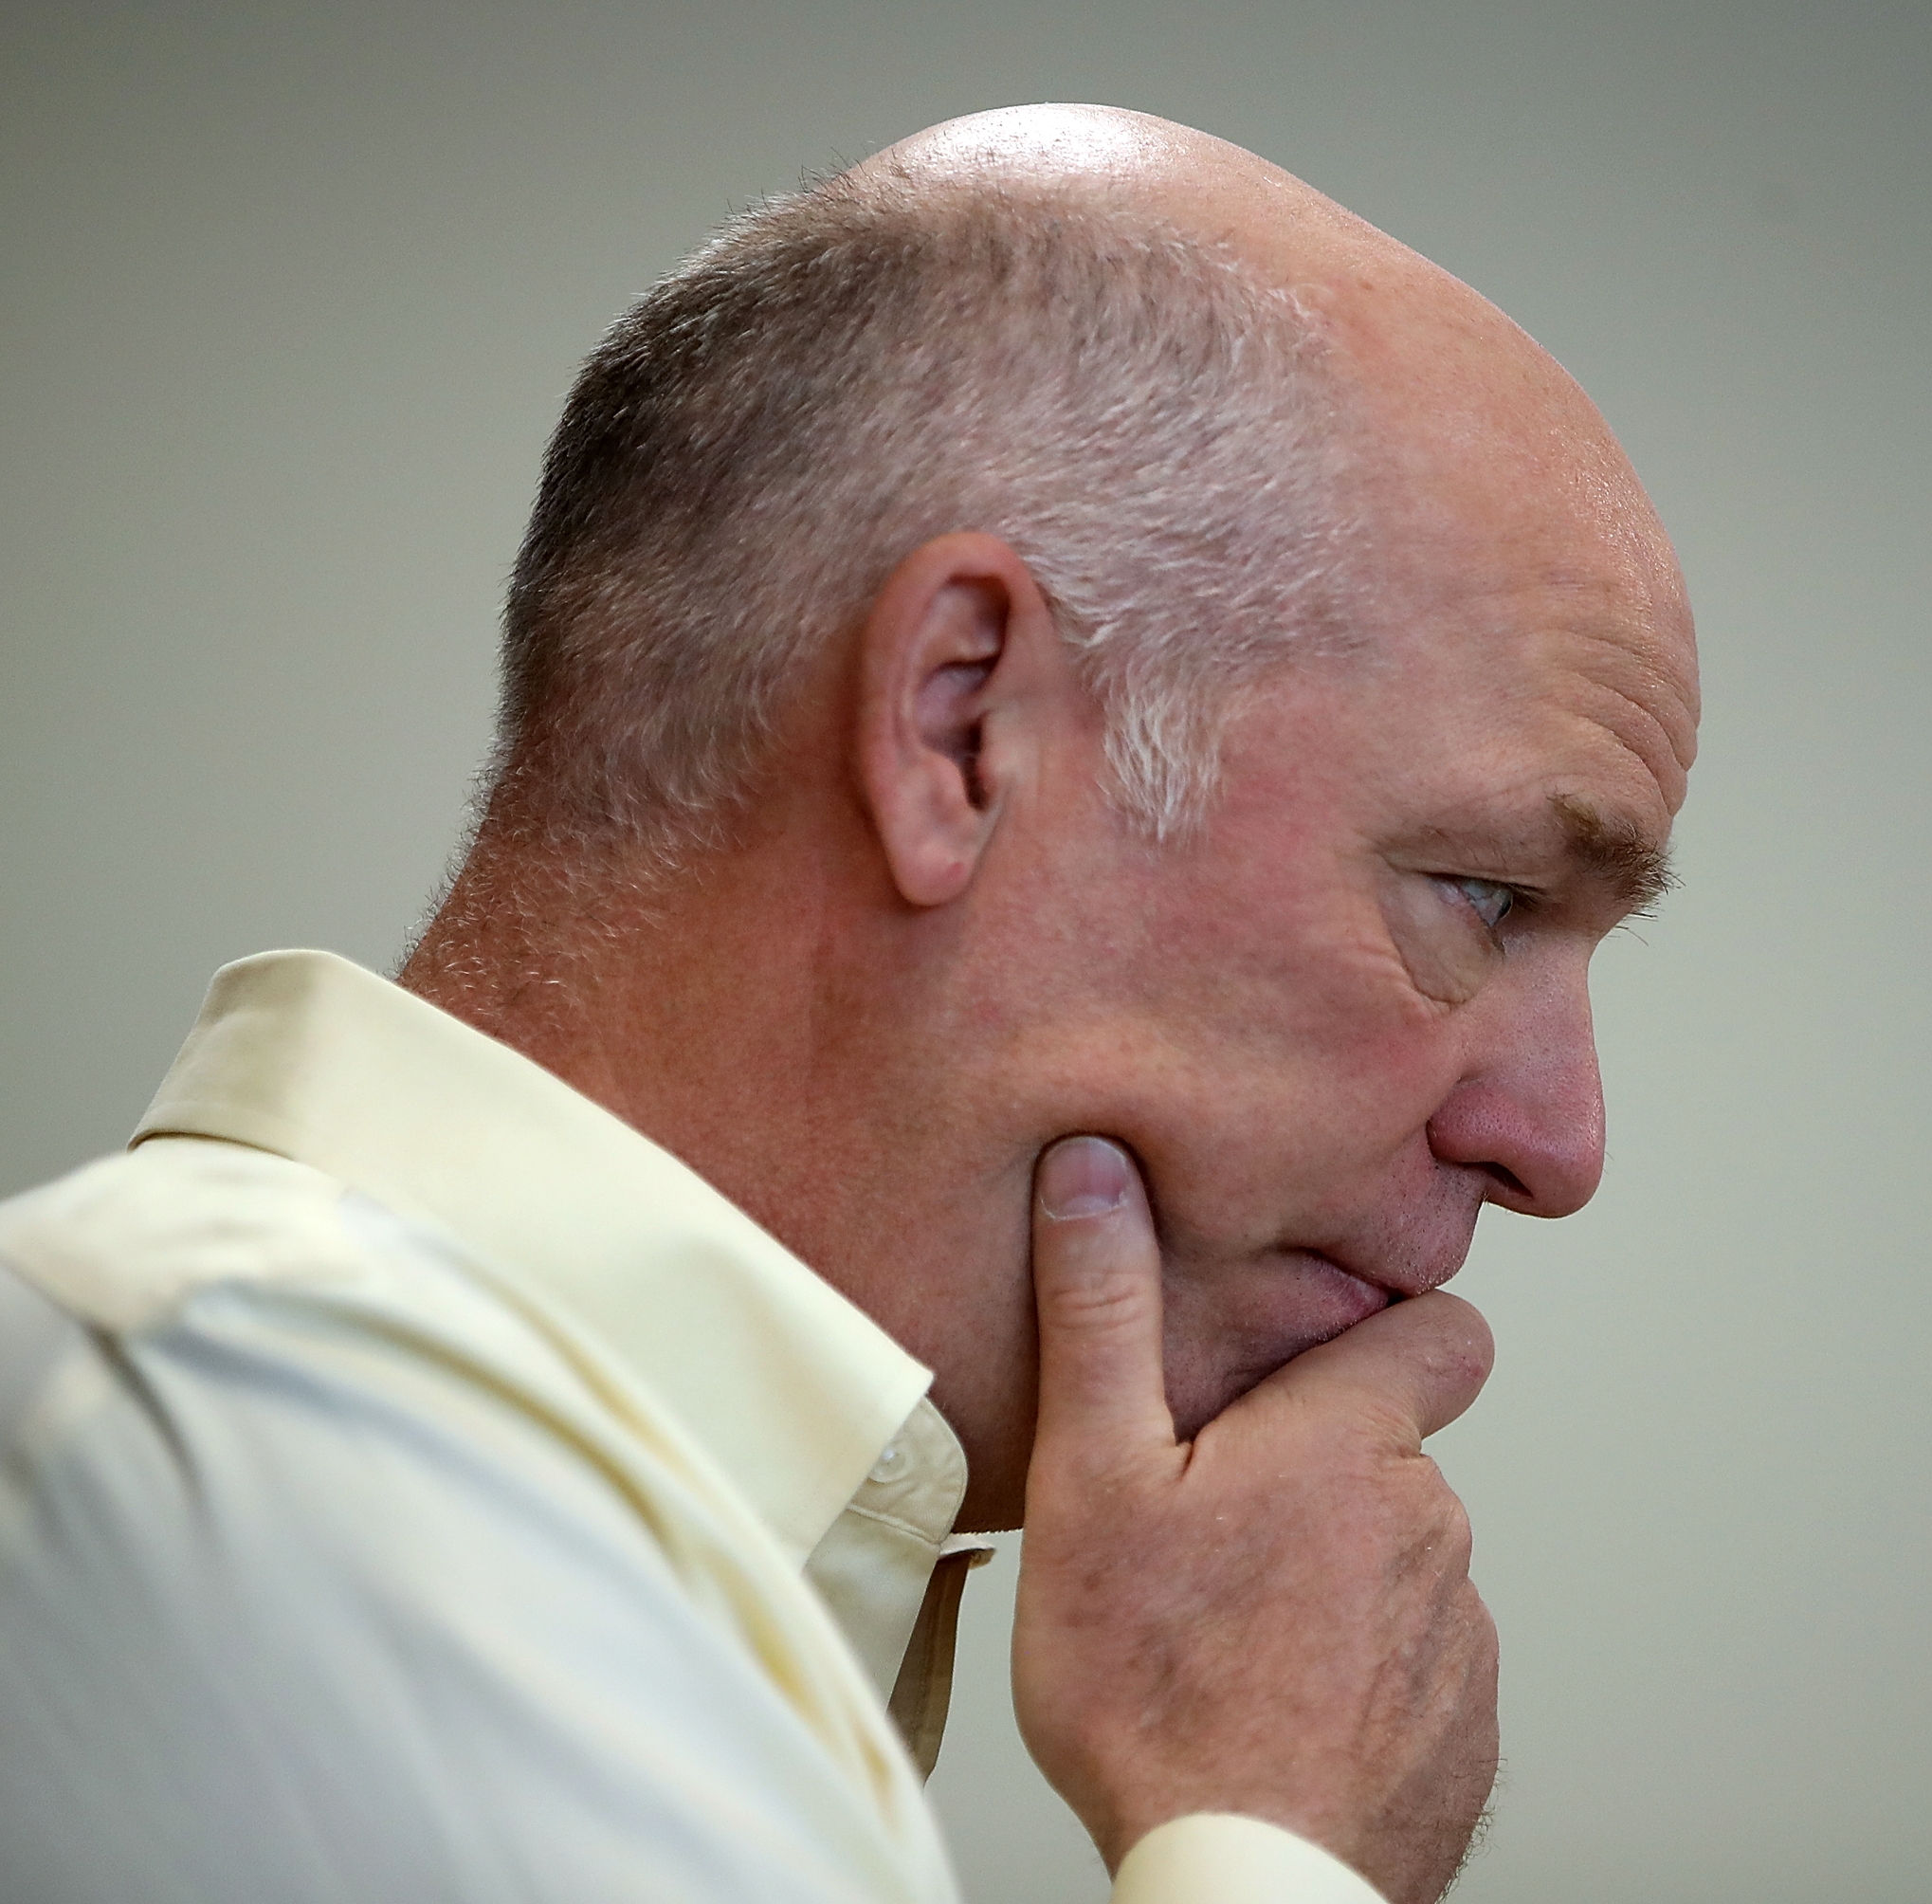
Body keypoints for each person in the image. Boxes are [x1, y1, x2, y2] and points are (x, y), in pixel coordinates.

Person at [0, 102, 1698, 1904]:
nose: (1558, 1146)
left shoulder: (455, 1520)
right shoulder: (224, 1472)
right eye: (1487, 896)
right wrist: (1276, 1844)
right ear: (961, 727)